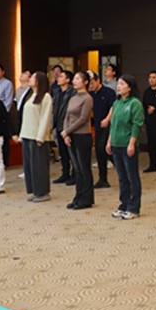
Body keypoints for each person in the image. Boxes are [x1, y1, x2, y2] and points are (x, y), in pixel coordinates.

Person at [107, 74, 144, 219]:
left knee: (131, 176)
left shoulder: (135, 103)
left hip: (128, 144)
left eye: (122, 84)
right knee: (122, 177)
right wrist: (109, 141)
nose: (119, 86)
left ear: (130, 87)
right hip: (116, 144)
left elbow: (137, 125)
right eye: (118, 84)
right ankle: (124, 204)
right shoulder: (116, 103)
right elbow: (113, 125)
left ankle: (134, 207)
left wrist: (132, 143)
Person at [14, 71, 53, 203]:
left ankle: (43, 192)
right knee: (30, 166)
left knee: (39, 165)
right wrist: (21, 135)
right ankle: (35, 190)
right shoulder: (31, 95)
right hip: (27, 134)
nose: (30, 79)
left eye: (32, 77)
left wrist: (41, 136)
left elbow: (45, 118)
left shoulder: (45, 96)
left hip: (37, 136)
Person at [61, 71, 95, 210]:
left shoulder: (87, 98)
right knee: (77, 169)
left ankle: (86, 199)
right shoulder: (73, 97)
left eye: (78, 79)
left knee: (84, 169)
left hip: (82, 136)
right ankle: (78, 196)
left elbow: (83, 119)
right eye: (74, 79)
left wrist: (67, 131)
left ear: (85, 82)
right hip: (71, 135)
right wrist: (66, 133)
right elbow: (67, 116)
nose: (74, 81)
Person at [89, 71, 116, 189]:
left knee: (108, 150)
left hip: (109, 125)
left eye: (92, 83)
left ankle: (124, 174)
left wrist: (107, 119)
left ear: (98, 80)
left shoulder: (108, 92)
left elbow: (113, 106)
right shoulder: (91, 94)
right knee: (99, 152)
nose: (91, 86)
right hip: (98, 125)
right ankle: (103, 179)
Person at [52, 69, 74, 185]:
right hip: (58, 124)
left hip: (69, 125)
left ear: (67, 80)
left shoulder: (72, 92)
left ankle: (74, 174)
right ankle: (65, 173)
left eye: (61, 76)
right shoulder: (57, 92)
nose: (58, 78)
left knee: (71, 152)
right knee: (63, 152)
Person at [0, 63, 14, 167]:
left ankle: (5, 162)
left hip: (3, 115)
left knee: (4, 140)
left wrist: (2, 114)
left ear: (3, 72)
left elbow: (8, 101)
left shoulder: (7, 83)